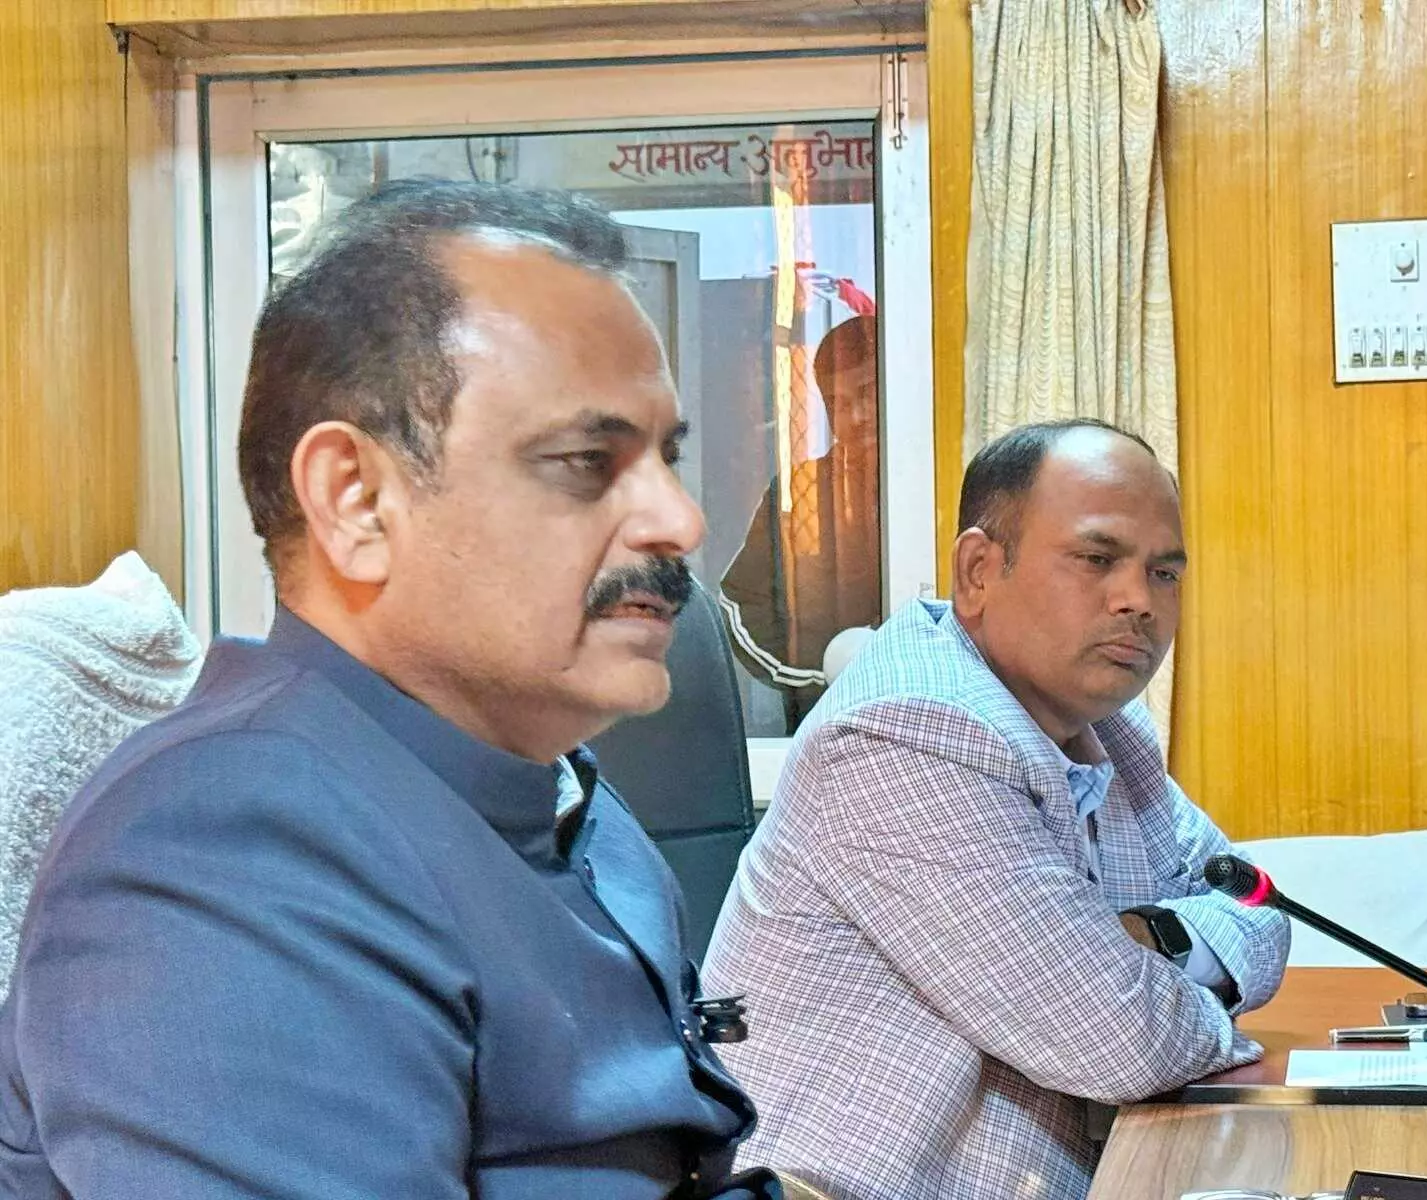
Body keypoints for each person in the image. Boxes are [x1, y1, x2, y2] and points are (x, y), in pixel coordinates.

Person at [0, 181, 779, 1200]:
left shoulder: (552, 789)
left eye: (666, 460)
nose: (680, 520)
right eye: (587, 460)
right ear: (357, 501)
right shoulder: (231, 855)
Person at [702, 419, 1290, 1200]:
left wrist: (1147, 936)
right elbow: (1116, 1039)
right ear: (978, 571)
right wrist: (1167, 983)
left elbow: (1260, 907)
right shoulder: (904, 733)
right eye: (1097, 559)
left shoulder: (1108, 730)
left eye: (1164, 573)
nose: (1139, 602)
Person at [717, 315, 880, 728]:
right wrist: (818, 680)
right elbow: (739, 605)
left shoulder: (935, 486)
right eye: (839, 404)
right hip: (825, 725)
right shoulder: (801, 489)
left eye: (868, 393)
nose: (857, 415)